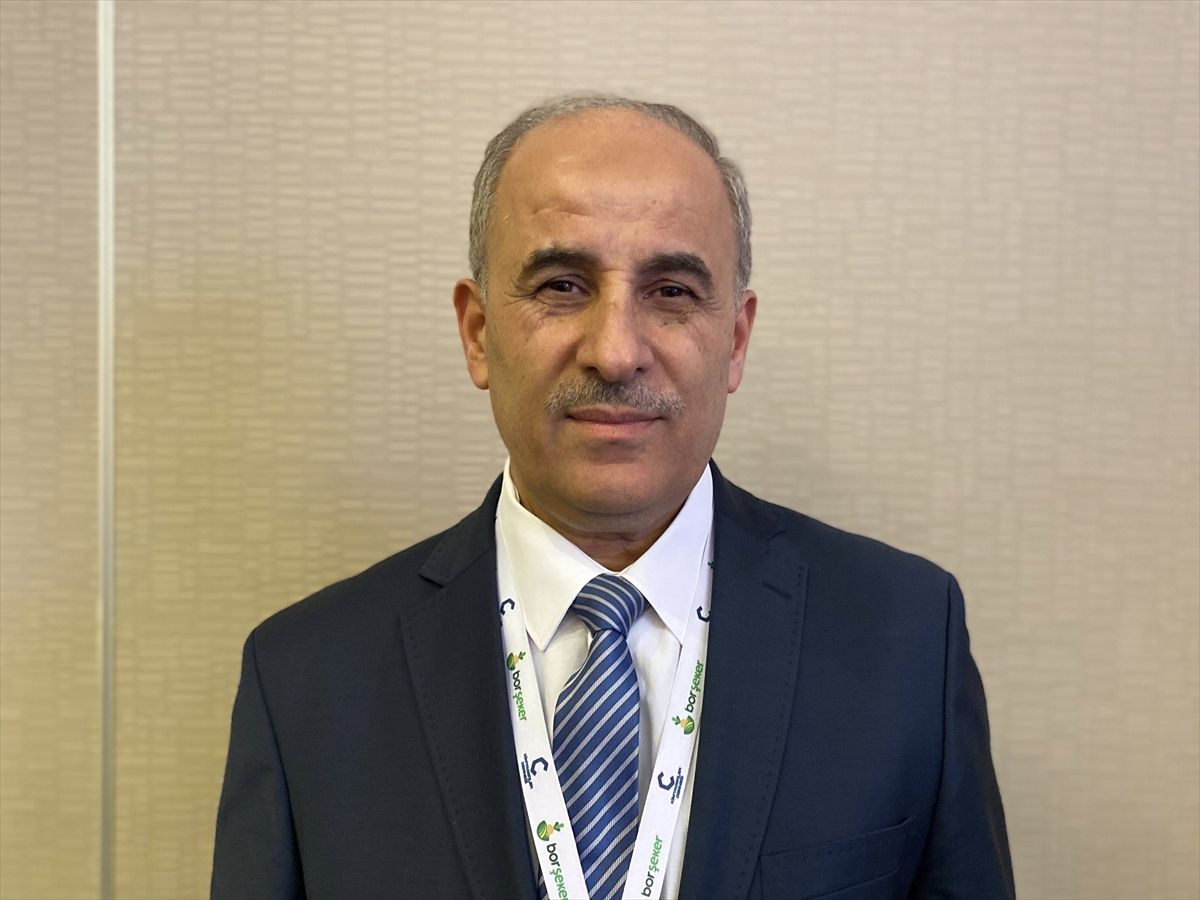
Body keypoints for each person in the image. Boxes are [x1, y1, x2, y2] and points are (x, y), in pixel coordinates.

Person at [211, 94, 1015, 900]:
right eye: (562, 285)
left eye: (671, 292)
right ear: (478, 332)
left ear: (735, 340)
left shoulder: (907, 641)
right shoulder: (306, 680)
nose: (616, 351)